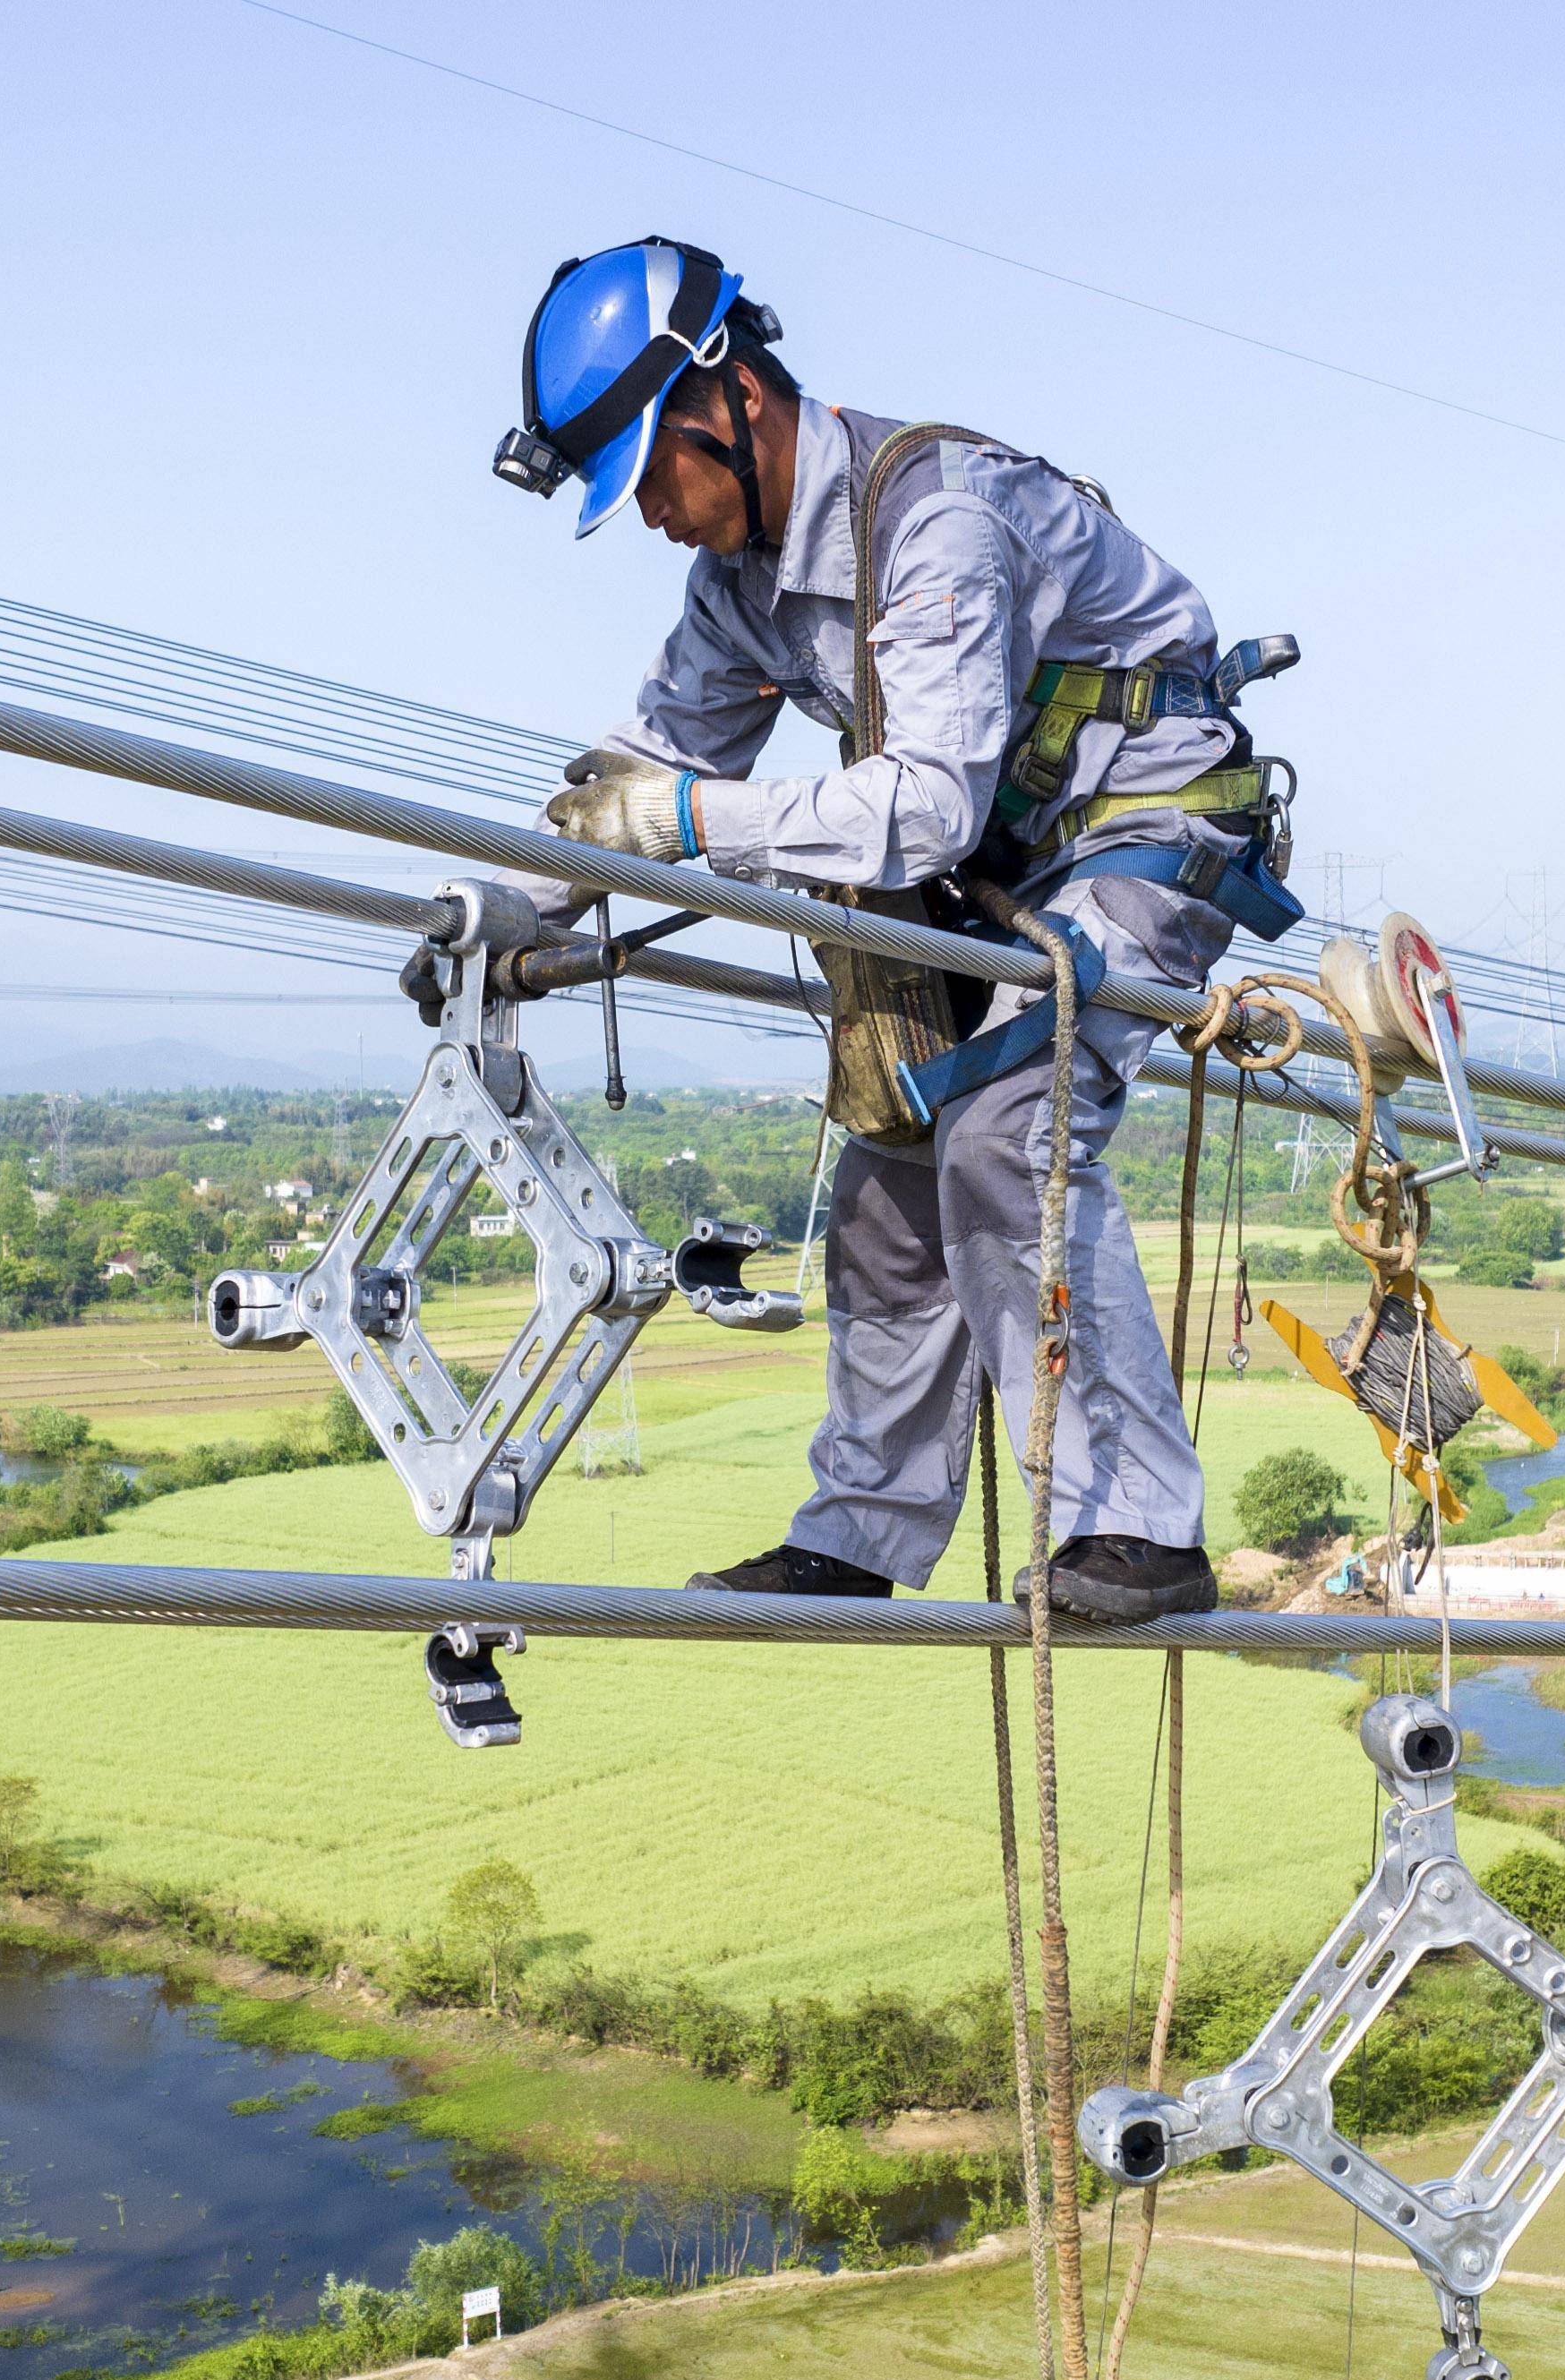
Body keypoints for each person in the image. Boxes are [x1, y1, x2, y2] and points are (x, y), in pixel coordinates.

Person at [487, 237, 1301, 1622]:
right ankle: (863, 1531)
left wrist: (685, 824)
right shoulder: (741, 583)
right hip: (999, 863)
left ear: (729, 398)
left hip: (1142, 836)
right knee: (890, 1167)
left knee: (1006, 1132)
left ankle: (1139, 1528)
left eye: (654, 478)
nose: (653, 520)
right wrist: (504, 913)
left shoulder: (938, 527)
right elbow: (641, 765)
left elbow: (916, 808)